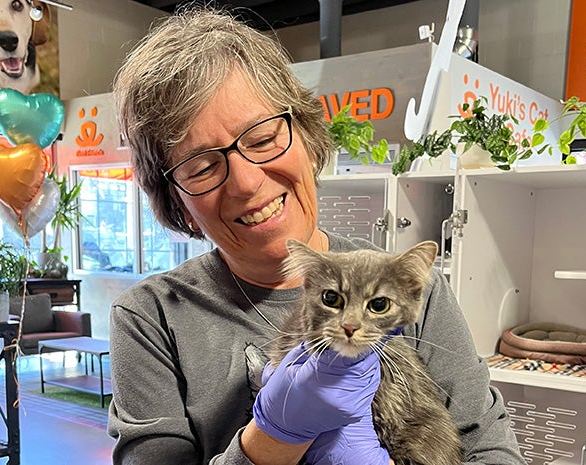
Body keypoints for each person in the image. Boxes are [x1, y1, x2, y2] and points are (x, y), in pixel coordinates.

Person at [108, 7, 525, 465]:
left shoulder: (417, 291)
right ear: (176, 201)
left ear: (307, 138)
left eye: (263, 138)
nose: (246, 182)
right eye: (202, 166)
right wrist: (275, 437)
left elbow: (489, 448)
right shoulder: (151, 317)